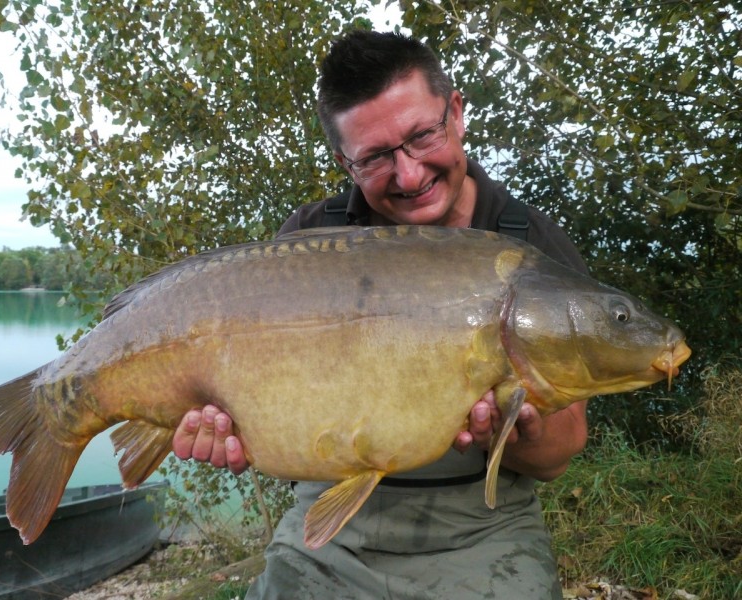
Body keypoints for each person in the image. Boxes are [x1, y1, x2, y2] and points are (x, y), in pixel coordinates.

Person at [173, 30, 589, 599]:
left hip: (482, 528)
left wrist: (517, 434)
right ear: (345, 161)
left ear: (457, 113)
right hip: (328, 526)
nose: (410, 175)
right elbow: (252, 410)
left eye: (422, 136)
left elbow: (559, 454)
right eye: (374, 157)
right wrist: (222, 426)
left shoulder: (527, 247)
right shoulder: (308, 245)